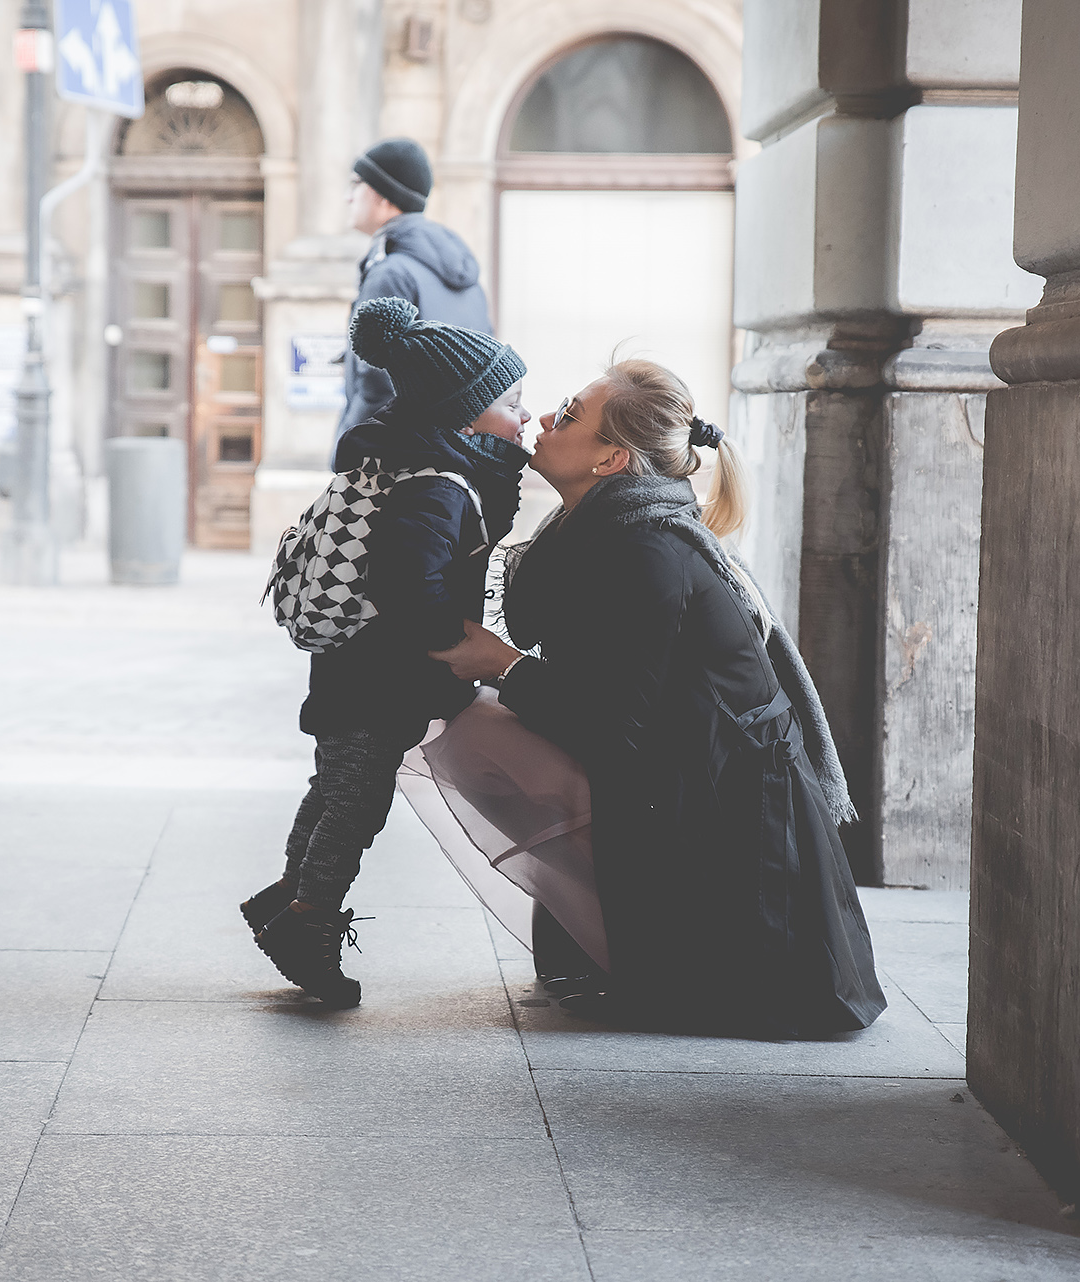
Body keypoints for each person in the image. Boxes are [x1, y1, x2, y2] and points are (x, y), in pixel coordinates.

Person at [427, 360, 887, 1039]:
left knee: (478, 736)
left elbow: (612, 725)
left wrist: (505, 665)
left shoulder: (643, 548)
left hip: (734, 826)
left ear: (611, 459)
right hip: (688, 775)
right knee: (484, 730)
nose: (547, 421)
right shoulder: (601, 527)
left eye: (570, 414)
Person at [242, 296, 531, 1009]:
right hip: (380, 678)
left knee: (334, 790)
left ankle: (289, 899)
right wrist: (449, 643)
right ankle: (306, 920)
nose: (526, 416)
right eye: (513, 402)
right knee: (355, 802)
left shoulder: (403, 462)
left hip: (352, 669)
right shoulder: (437, 484)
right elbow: (407, 580)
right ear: (466, 413)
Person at [335, 138, 493, 463]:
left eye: (356, 184)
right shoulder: (460, 270)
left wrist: (348, 450)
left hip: (396, 461)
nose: (347, 197)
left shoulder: (391, 273)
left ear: (381, 195)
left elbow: (376, 380)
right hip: (457, 455)